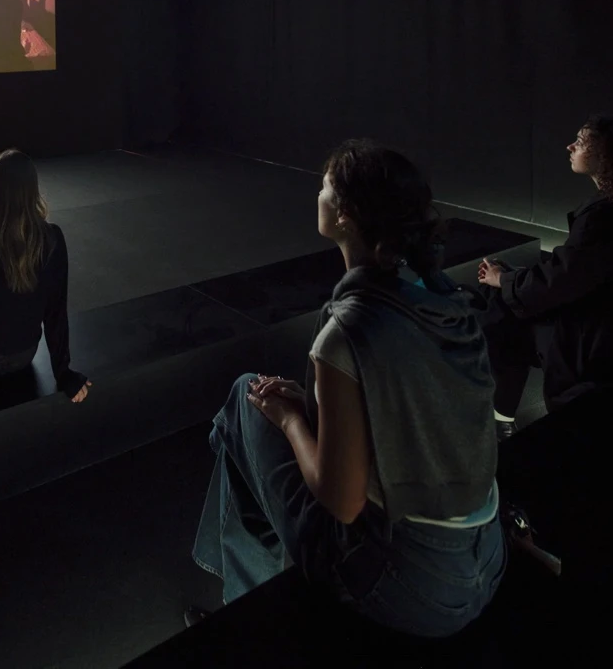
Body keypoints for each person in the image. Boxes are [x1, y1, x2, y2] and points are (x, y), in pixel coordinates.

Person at [189, 141, 505, 638]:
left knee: (244, 400)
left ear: (345, 215)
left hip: (410, 584)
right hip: (483, 561)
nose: (317, 191)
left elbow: (341, 503)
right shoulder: (447, 304)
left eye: (325, 185)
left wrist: (292, 418)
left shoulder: (347, 332)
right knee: (260, 416)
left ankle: (246, 617)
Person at [478, 116, 613, 436]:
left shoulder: (610, 218)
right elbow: (576, 274)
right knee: (512, 295)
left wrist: (502, 279)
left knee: (500, 311)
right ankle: (503, 418)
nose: (570, 146)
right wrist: (516, 278)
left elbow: (559, 281)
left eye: (582, 142)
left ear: (610, 156)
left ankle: (500, 420)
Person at [0, 150, 90, 402]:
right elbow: (56, 312)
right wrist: (62, 372)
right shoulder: (53, 239)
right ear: (33, 190)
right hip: (24, 355)